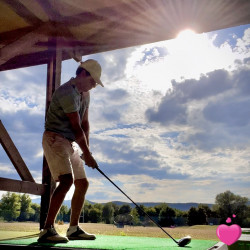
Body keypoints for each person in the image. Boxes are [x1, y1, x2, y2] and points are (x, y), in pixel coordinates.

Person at [38, 59, 104, 243]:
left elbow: (85, 124)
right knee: (66, 181)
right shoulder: (67, 91)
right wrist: (88, 155)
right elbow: (76, 127)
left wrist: (86, 151)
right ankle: (47, 230)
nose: (93, 86)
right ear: (82, 73)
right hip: (54, 138)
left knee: (82, 183)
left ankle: (73, 229)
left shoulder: (85, 94)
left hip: (71, 142)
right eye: (93, 81)